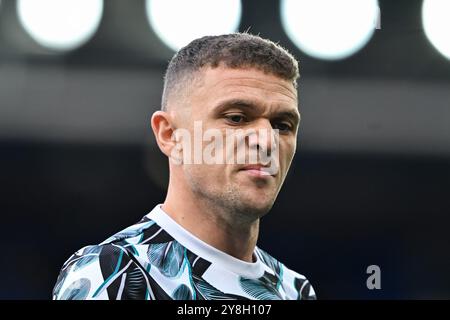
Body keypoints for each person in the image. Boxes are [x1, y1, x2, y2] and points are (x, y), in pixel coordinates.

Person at [52, 32, 316, 300]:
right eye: (236, 118)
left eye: (282, 125)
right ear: (169, 134)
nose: (266, 141)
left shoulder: (295, 290)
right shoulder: (113, 274)